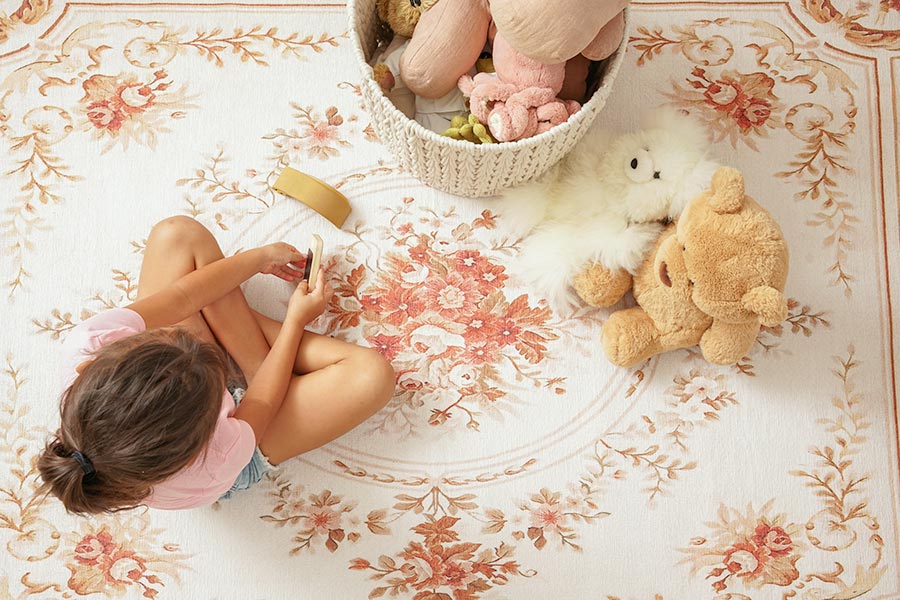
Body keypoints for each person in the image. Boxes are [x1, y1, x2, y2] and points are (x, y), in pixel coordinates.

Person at [37, 216, 395, 514]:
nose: (191, 337)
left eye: (172, 339)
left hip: (183, 427)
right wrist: (293, 323)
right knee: (372, 375)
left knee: (176, 235)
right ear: (213, 417)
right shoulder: (216, 458)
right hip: (244, 435)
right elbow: (260, 403)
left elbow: (182, 298)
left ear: (95, 367)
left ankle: (254, 347)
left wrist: (259, 258)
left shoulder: (89, 345)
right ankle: (256, 348)